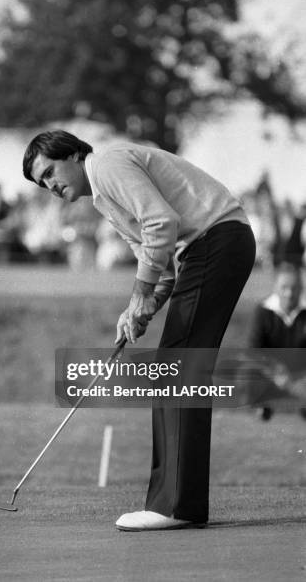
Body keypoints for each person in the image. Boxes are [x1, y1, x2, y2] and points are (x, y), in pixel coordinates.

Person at [22, 130, 256, 531]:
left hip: (215, 240)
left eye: (50, 172)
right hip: (212, 246)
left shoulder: (108, 165)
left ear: (75, 154)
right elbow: (161, 264)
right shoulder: (103, 198)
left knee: (178, 367)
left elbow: (161, 222)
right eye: (41, 183)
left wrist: (139, 296)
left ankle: (176, 506)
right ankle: (177, 503)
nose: (50, 185)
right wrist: (142, 307)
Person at [248, 262, 306, 421]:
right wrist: (275, 373)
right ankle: (263, 407)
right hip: (271, 372)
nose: (289, 293)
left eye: (294, 288)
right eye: (284, 287)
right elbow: (254, 350)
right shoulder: (262, 311)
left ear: (301, 288)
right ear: (276, 287)